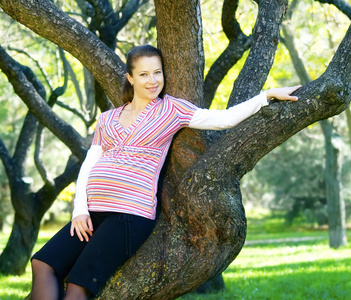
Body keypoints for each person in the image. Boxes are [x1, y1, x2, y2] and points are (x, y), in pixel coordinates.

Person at [30, 44, 301, 299]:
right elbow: (90, 162)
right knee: (42, 262)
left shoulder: (171, 109)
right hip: (93, 211)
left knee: (78, 286)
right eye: (144, 74)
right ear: (130, 78)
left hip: (130, 214)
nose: (153, 80)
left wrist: (265, 96)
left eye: (157, 72)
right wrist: (79, 209)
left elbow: (224, 119)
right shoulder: (108, 117)